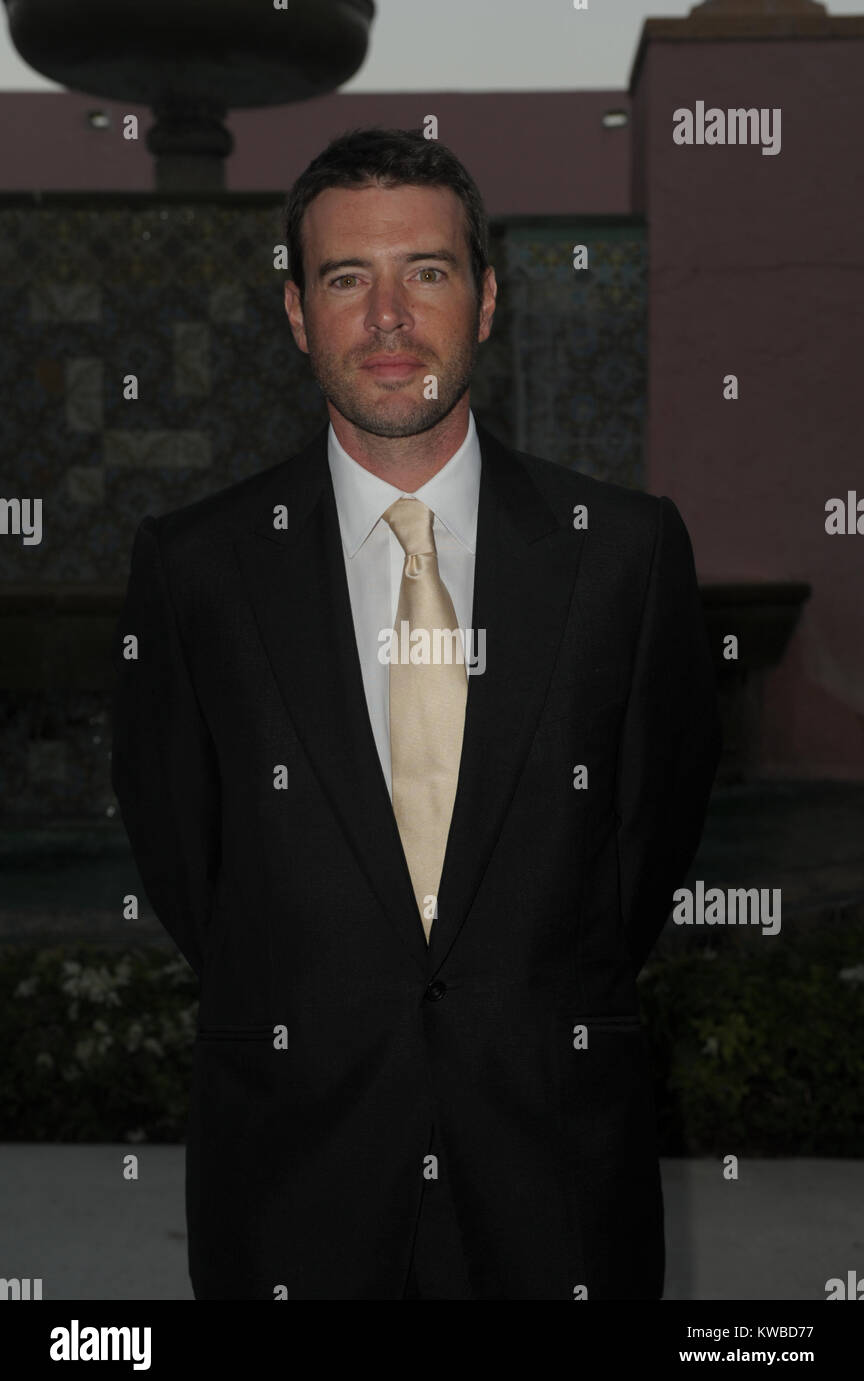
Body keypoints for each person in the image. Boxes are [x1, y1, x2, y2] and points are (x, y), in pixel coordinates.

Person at [111, 126, 722, 1300]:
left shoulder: (626, 557)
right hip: (295, 1174)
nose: (388, 318)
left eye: (426, 272)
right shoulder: (196, 571)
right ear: (296, 312)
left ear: (485, 300)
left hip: (555, 1178)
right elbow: (191, 867)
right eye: (348, 278)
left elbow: (641, 858)